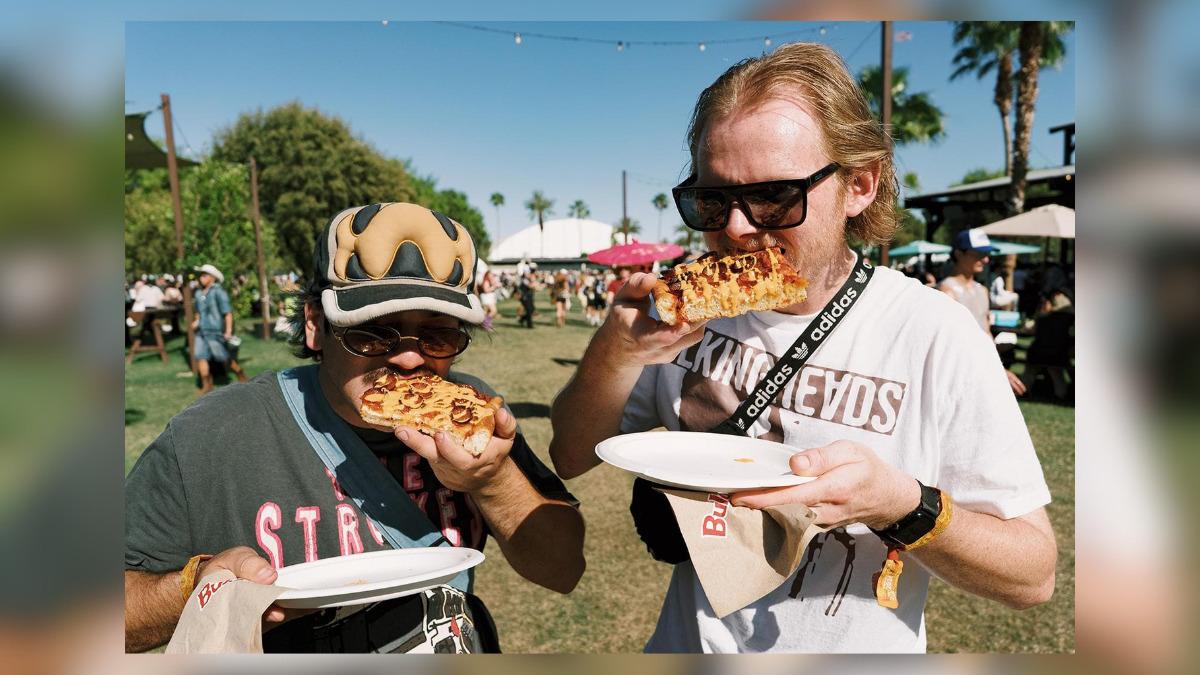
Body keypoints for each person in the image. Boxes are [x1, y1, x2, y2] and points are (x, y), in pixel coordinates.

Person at [549, 42, 1055, 653]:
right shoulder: (671, 324)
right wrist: (614, 351)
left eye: (774, 197)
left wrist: (899, 503)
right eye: (711, 200)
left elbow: (1034, 575)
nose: (735, 228)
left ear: (860, 186)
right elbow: (571, 453)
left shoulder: (935, 334)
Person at [125, 202, 585, 653]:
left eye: (439, 334)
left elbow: (563, 570)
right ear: (314, 325)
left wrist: (493, 481)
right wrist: (194, 588)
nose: (410, 358)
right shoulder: (211, 436)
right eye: (373, 331)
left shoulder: (474, 416)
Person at [940, 231, 1026, 396]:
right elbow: (955, 339)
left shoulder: (982, 290)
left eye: (986, 254)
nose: (985, 259)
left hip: (980, 367)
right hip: (958, 371)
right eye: (978, 254)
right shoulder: (947, 289)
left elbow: (985, 333)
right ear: (959, 253)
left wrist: (997, 367)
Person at [190, 263, 249, 394]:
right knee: (200, 356)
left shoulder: (219, 292)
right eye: (201, 275)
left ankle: (240, 373)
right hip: (201, 331)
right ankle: (206, 384)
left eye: (204, 275)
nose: (201, 277)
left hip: (215, 331)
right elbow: (198, 312)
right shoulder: (198, 293)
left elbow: (227, 313)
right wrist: (196, 321)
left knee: (222, 357)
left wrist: (228, 331)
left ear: (213, 277)